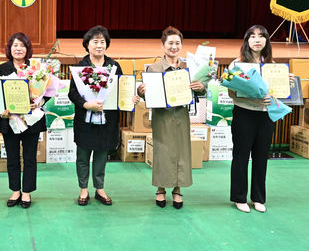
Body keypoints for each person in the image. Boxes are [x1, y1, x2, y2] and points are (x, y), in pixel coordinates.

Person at [137, 26, 206, 209]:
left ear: (181, 45)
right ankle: (161, 189)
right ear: (163, 46)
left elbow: (201, 90)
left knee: (182, 150)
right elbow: (147, 95)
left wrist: (201, 87)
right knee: (162, 150)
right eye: (170, 43)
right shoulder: (154, 68)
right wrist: (141, 91)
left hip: (181, 115)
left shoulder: (188, 68)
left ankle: (177, 189)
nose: (174, 47)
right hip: (162, 116)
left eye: (177, 43)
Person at [228, 25, 290, 213]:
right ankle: (239, 198)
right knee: (241, 156)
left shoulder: (273, 66)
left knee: (262, 157)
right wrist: (252, 97)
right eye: (252, 36)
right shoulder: (236, 65)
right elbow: (232, 93)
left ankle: (258, 198)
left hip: (266, 116)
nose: (257, 39)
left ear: (266, 41)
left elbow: (279, 93)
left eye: (262, 36)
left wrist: (287, 84)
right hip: (244, 114)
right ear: (246, 41)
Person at [68, 25, 124, 206]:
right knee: (83, 155)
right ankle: (83, 189)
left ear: (107, 44)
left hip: (107, 120)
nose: (99, 45)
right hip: (85, 120)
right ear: (87, 45)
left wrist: (129, 98)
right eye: (95, 42)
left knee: (101, 154)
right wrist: (86, 104)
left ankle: (99, 188)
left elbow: (121, 90)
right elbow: (72, 93)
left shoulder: (114, 66)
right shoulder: (81, 67)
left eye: (102, 42)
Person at [0, 33, 46, 208]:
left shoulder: (36, 68)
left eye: (22, 45)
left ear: (28, 48)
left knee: (30, 157)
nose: (18, 48)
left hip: (30, 120)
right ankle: (15, 190)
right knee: (12, 157)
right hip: (10, 120)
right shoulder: (2, 69)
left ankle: (27, 192)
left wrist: (37, 103)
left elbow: (47, 93)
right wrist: (2, 109)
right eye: (15, 45)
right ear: (9, 48)